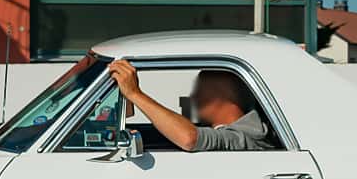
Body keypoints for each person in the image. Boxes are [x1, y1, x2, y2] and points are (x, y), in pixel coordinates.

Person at [106, 59, 268, 152]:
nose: (194, 97)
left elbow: (190, 139)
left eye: (201, 90)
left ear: (223, 96)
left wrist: (135, 93)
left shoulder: (246, 138)